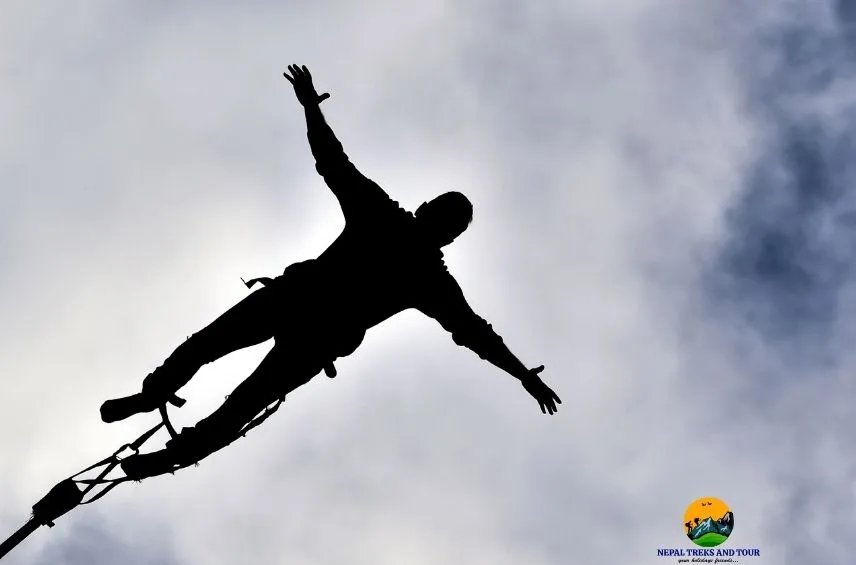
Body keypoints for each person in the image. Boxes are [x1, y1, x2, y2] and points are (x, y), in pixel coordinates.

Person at [106, 65, 562, 479]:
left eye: (449, 223)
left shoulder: (425, 271)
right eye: (445, 217)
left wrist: (521, 373)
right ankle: (155, 402)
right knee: (218, 361)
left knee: (239, 391)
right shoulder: (392, 229)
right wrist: (310, 108)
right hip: (298, 305)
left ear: (446, 234)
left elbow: (476, 333)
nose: (441, 225)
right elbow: (333, 161)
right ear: (432, 216)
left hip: (314, 331)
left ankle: (171, 441)